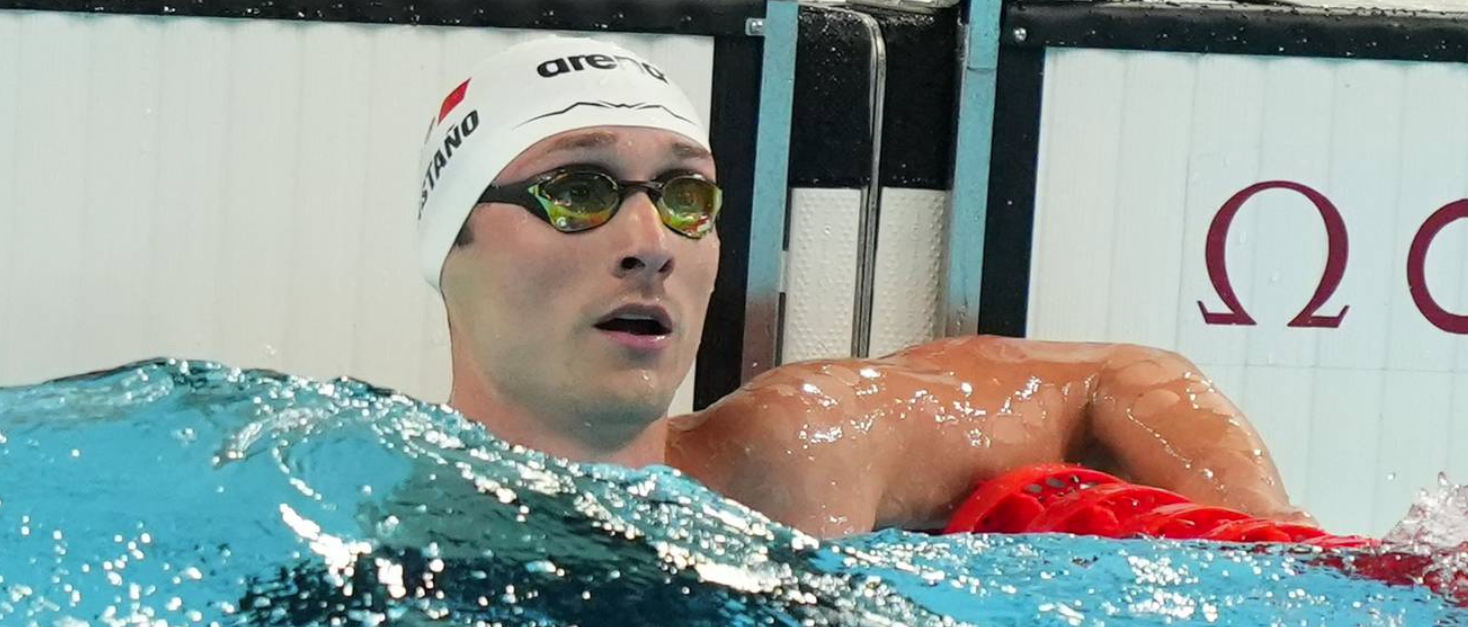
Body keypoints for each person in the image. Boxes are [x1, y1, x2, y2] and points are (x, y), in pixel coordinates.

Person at [417, 36, 1309, 538]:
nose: (651, 244)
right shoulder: (355, 521)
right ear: (449, 252)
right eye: (579, 192)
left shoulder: (798, 458)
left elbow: (1116, 378)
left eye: (688, 197)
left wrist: (1271, 565)